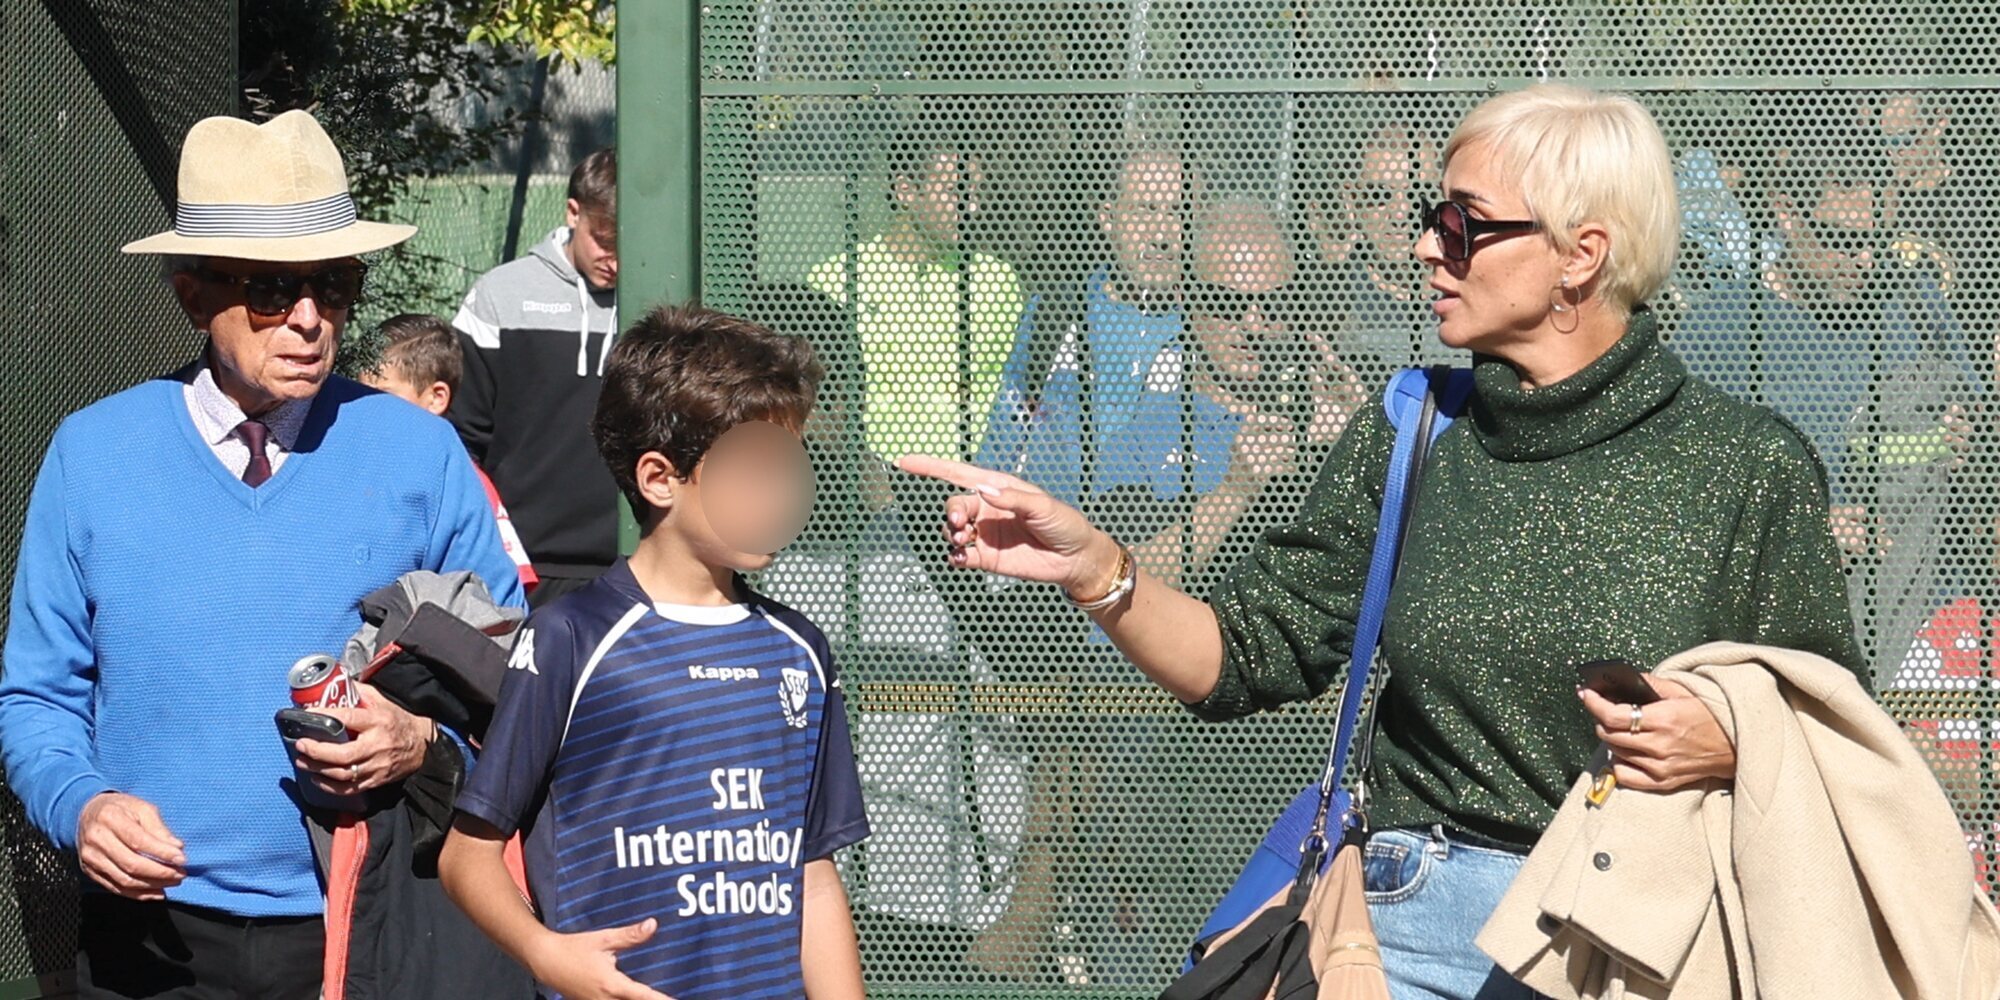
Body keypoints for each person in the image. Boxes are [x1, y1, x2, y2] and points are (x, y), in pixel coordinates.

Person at [900, 84, 1863, 1000]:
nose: (1423, 247)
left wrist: (1734, 736)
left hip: (1637, 937)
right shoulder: (1412, 431)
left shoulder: (1743, 466)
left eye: (1462, 223)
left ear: (1581, 253)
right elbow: (1241, 657)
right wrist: (1098, 568)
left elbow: (1826, 729)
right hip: (1397, 933)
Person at [0, 110, 525, 999]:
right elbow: (36, 696)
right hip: (149, 941)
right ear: (193, 294)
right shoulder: (93, 454)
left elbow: (517, 690)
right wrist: (80, 806)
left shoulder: (418, 454)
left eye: (335, 282)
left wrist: (420, 740)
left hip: (373, 927)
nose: (311, 320)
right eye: (273, 291)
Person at [440, 303, 870, 1000]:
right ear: (659, 479)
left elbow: (813, 875)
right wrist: (547, 956)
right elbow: (469, 857)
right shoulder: (569, 638)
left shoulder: (801, 652)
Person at [451, 147, 621, 607]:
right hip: (521, 567)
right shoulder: (501, 295)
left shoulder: (660, 296)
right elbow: (460, 435)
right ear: (573, 212)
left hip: (633, 564)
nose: (615, 260)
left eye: (628, 244)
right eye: (604, 240)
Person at [808, 130, 1027, 465]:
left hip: (973, 477)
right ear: (906, 190)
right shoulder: (836, 279)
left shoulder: (997, 279)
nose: (971, 206)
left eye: (975, 191)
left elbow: (1021, 388)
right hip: (876, 481)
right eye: (955, 191)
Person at [363, 313, 539, 594]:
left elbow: (503, 592)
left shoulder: (464, 482)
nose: (368, 411)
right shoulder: (356, 463)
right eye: (360, 395)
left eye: (383, 396)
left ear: (436, 398)